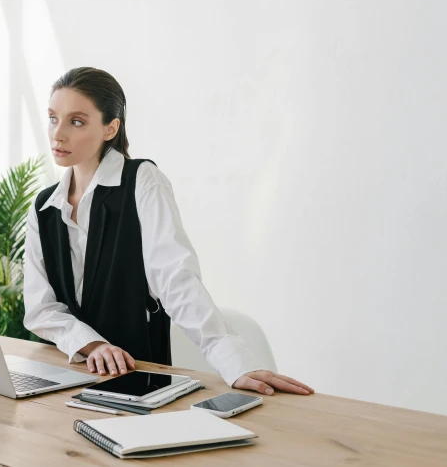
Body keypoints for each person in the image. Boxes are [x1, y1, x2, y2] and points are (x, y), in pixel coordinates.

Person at [22, 67, 314, 396]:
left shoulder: (142, 181)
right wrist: (91, 344)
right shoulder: (44, 206)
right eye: (52, 118)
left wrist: (235, 361)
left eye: (76, 121)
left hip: (137, 378)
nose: (57, 134)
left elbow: (176, 279)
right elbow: (40, 308)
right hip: (66, 376)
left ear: (110, 128)